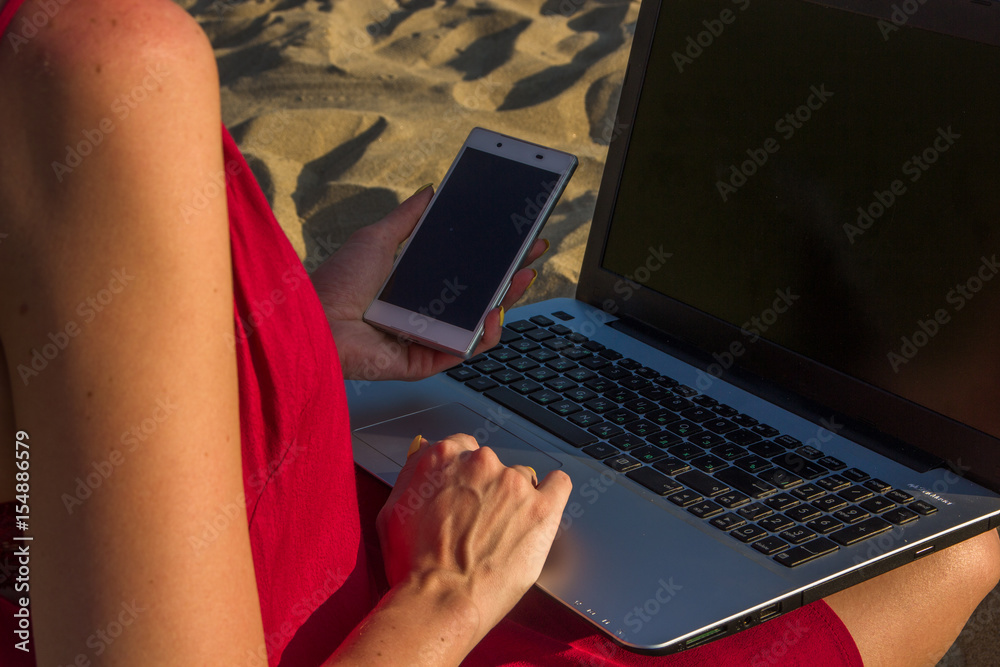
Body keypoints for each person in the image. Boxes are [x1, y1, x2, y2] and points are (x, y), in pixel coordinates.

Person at [0, 1, 997, 665]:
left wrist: (293, 339)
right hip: (374, 620)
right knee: (962, 537)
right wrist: (444, 596)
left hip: (271, 530)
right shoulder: (92, 62)